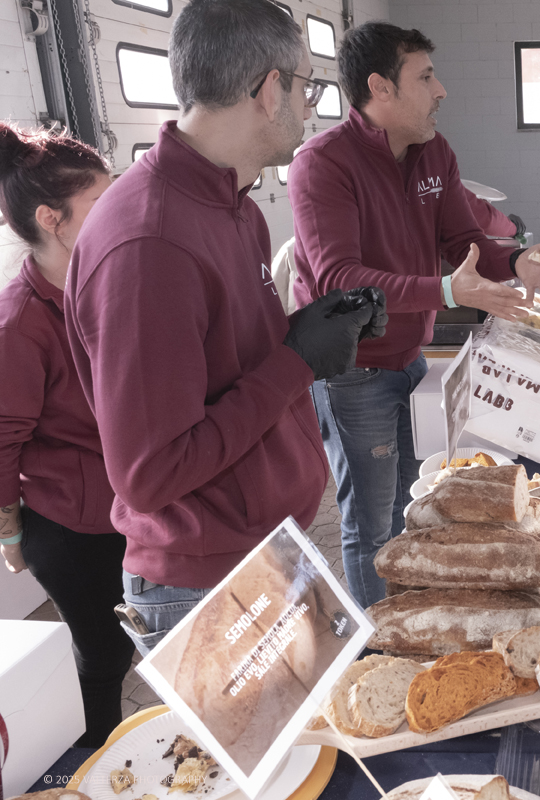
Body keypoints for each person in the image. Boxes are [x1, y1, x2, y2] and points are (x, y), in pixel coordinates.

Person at [65, 0, 380, 654]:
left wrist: (313, 330)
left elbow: (226, 361)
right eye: (308, 87)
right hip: (206, 584)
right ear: (270, 90)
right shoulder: (150, 242)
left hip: (266, 547)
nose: (311, 106)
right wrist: (297, 359)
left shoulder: (235, 204)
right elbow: (150, 474)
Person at [288, 22, 540, 608]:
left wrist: (517, 261)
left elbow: (464, 241)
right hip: (352, 372)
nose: (441, 91)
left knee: (412, 507)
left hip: (410, 363)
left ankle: (411, 615)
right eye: (425, 77)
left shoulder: (433, 151)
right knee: (371, 525)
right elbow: (340, 280)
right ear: (380, 88)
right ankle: (379, 639)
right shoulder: (323, 164)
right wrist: (445, 291)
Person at [0, 124, 132, 747]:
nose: (120, 214)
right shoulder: (20, 323)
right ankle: (90, 769)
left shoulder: (106, 280)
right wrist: (9, 532)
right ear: (51, 220)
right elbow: (3, 438)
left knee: (139, 641)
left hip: (130, 502)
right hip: (74, 526)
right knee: (104, 656)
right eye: (101, 204)